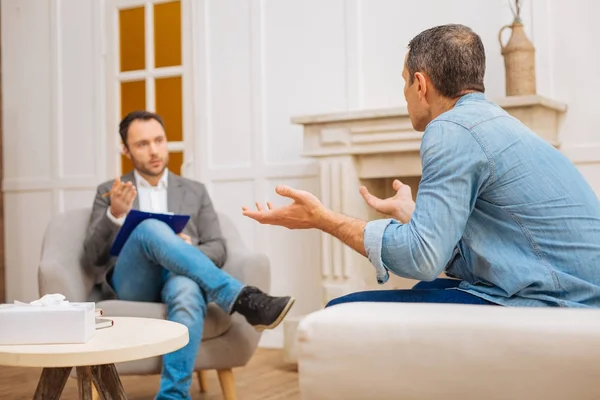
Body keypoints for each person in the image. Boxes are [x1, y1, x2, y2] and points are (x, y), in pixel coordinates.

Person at [241, 24, 600, 309]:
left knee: (340, 310)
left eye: (403, 81)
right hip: (579, 291)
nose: (405, 93)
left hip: (557, 302)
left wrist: (323, 219)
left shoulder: (450, 129)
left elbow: (422, 257)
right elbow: (498, 248)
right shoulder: (495, 123)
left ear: (420, 82)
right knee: (425, 289)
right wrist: (415, 217)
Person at [83, 110, 295, 400]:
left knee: (187, 288)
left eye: (159, 140)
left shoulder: (195, 192)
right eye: (142, 144)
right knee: (149, 227)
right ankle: (242, 298)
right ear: (126, 149)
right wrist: (115, 214)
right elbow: (91, 257)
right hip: (133, 285)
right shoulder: (110, 191)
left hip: (178, 279)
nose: (154, 150)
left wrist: (184, 249)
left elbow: (218, 247)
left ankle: (173, 396)